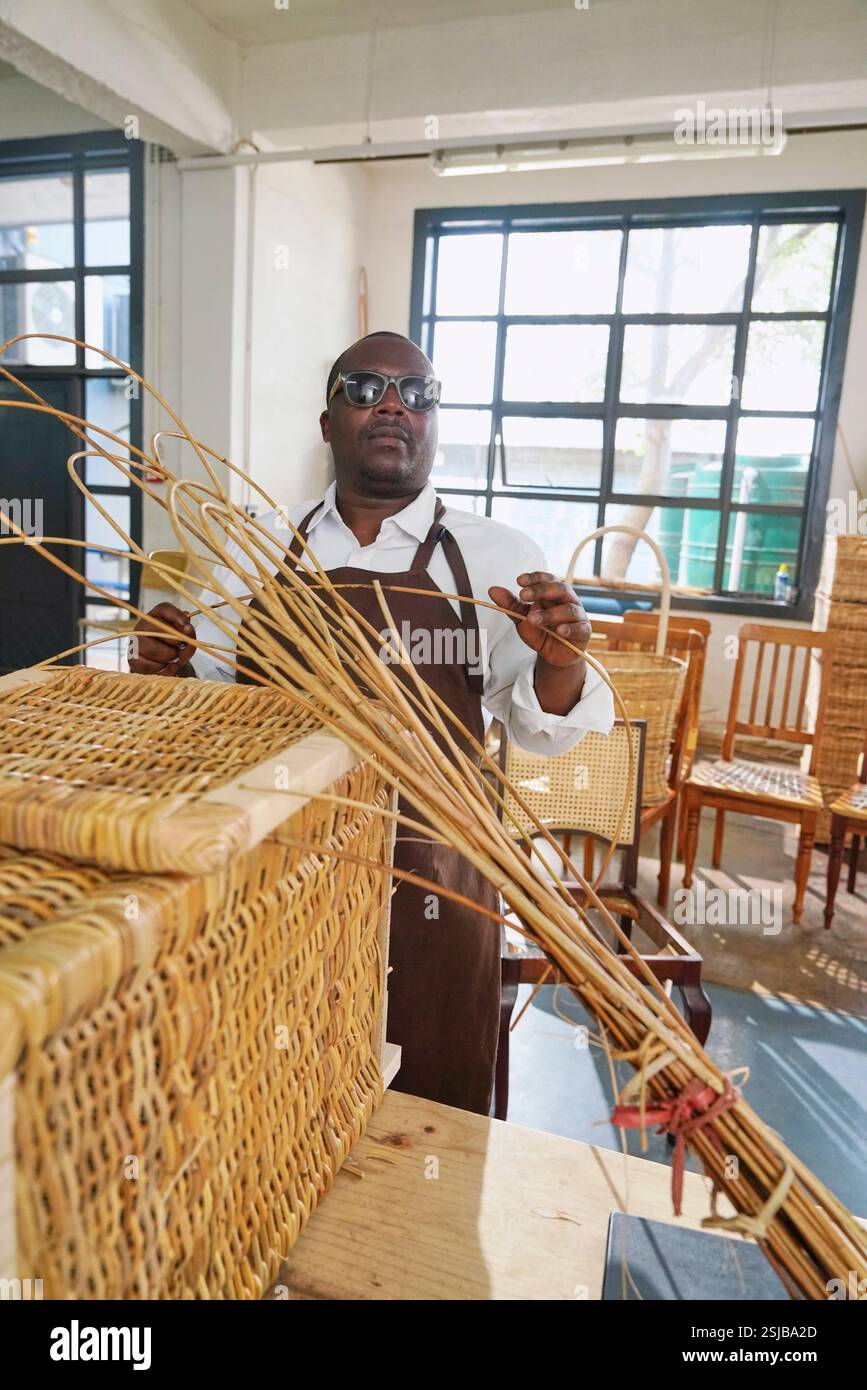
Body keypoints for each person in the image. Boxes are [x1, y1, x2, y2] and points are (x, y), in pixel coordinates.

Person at [130, 330, 613, 1115]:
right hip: (276, 877)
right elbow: (210, 700)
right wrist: (168, 667)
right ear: (326, 422)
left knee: (429, 1110)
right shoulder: (257, 549)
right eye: (364, 388)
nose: (393, 405)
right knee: (270, 1102)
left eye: (416, 393)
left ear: (434, 421)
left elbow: (540, 733)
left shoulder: (494, 555)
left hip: (436, 881)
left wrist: (559, 660)